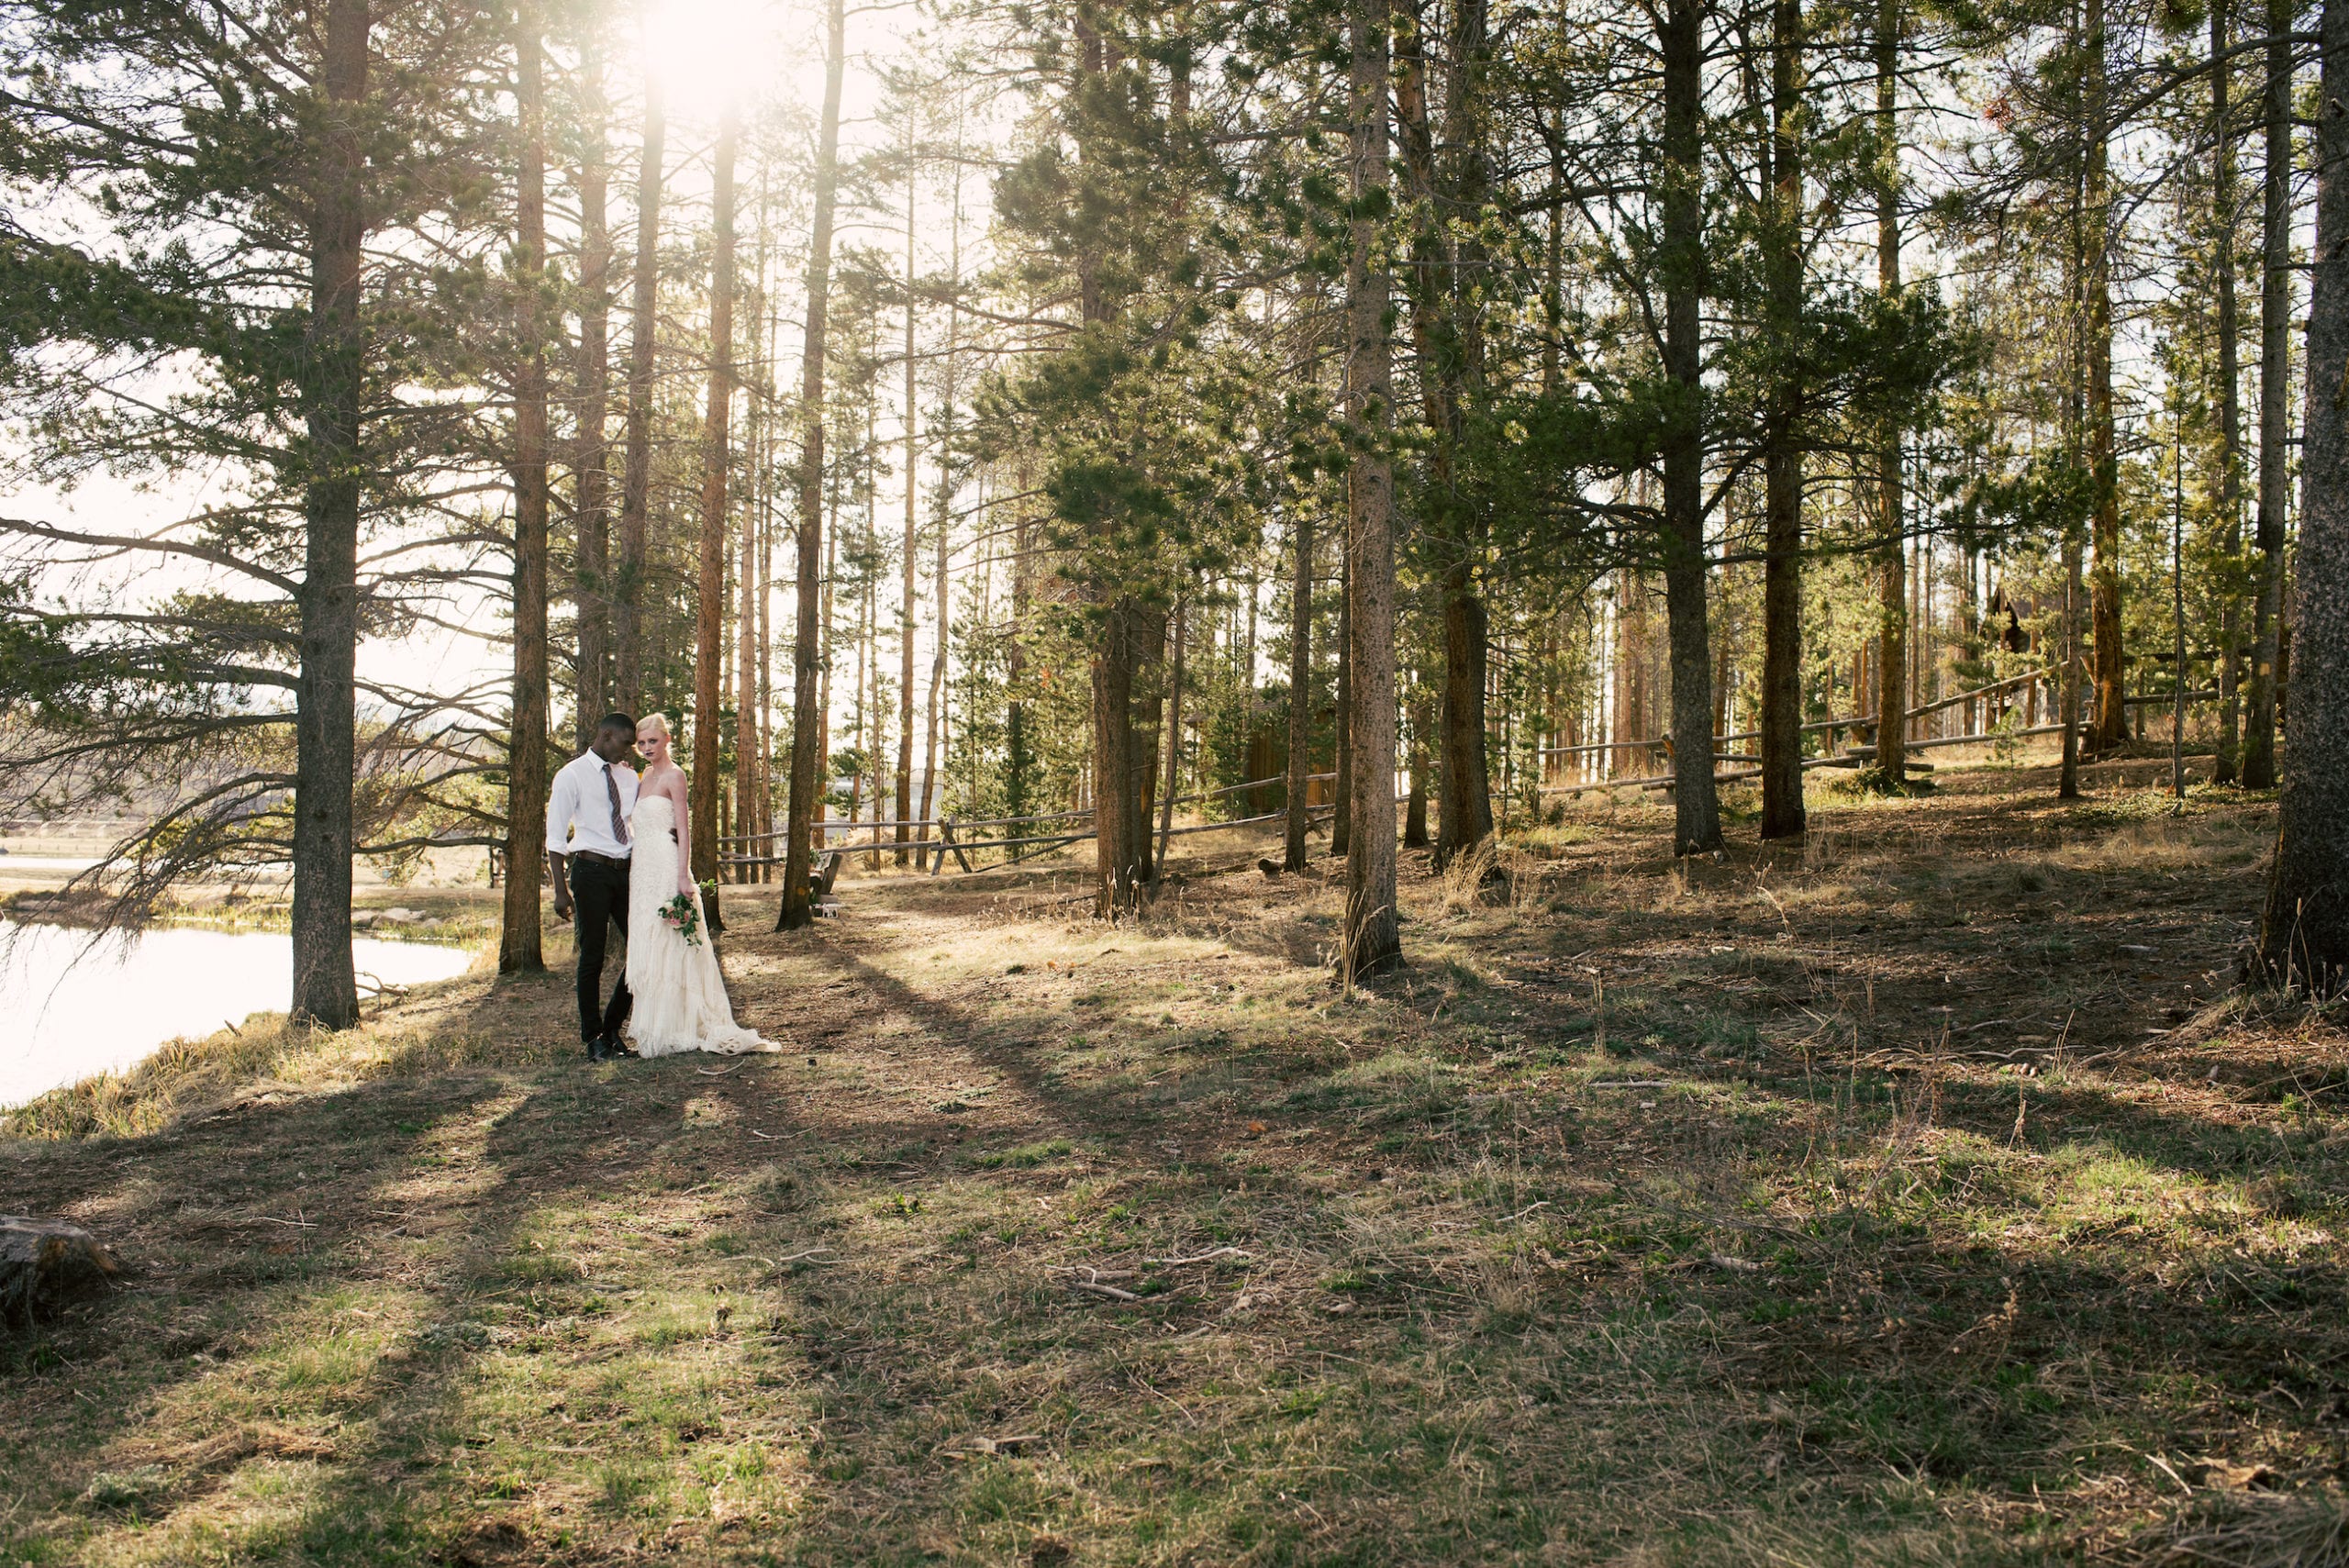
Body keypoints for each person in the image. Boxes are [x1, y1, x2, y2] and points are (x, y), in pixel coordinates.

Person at [623, 714, 775, 1056]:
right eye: (642, 743)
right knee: (647, 935)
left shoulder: (675, 776)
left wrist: (682, 874)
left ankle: (681, 1023)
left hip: (665, 860)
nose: (647, 748)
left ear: (667, 740)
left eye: (653, 741)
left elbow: (683, 828)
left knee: (669, 938)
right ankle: (655, 1022)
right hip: (642, 865)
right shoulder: (643, 775)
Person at [547, 712, 640, 1062]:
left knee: (642, 951)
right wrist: (560, 890)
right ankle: (593, 1039)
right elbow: (555, 837)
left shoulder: (628, 776)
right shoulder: (571, 775)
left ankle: (613, 1028)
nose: (628, 750)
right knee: (593, 956)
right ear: (605, 736)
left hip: (626, 871)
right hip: (590, 870)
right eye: (624, 743)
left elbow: (638, 819)